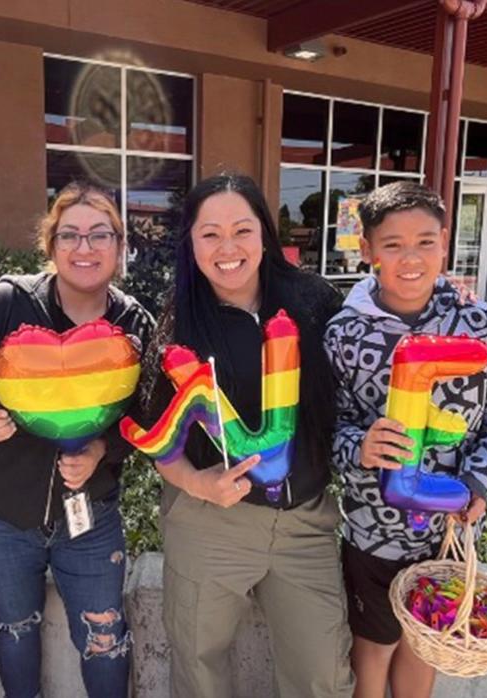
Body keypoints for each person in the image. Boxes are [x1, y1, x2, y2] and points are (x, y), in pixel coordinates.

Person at [0, 182, 154, 698]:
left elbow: (149, 415)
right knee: (15, 625)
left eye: (101, 235)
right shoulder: (5, 305)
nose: (85, 248)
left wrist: (103, 451)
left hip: (91, 517)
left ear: (120, 247)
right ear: (50, 245)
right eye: (69, 235)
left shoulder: (132, 322)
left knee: (105, 635)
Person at [141, 173, 354, 697]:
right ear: (190, 243)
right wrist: (195, 484)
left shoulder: (315, 303)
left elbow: (357, 394)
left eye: (242, 229)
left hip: (305, 524)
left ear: (265, 232)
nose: (228, 247)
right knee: (199, 670)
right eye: (210, 234)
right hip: (211, 523)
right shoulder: (179, 325)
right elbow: (155, 437)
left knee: (323, 675)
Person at [324, 181, 487, 698]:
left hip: (451, 529)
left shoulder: (483, 323)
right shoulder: (343, 334)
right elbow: (327, 425)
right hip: (373, 532)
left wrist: (479, 481)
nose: (411, 257)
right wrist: (358, 446)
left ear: (445, 242)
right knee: (373, 647)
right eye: (393, 244)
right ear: (367, 250)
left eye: (426, 242)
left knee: (425, 644)